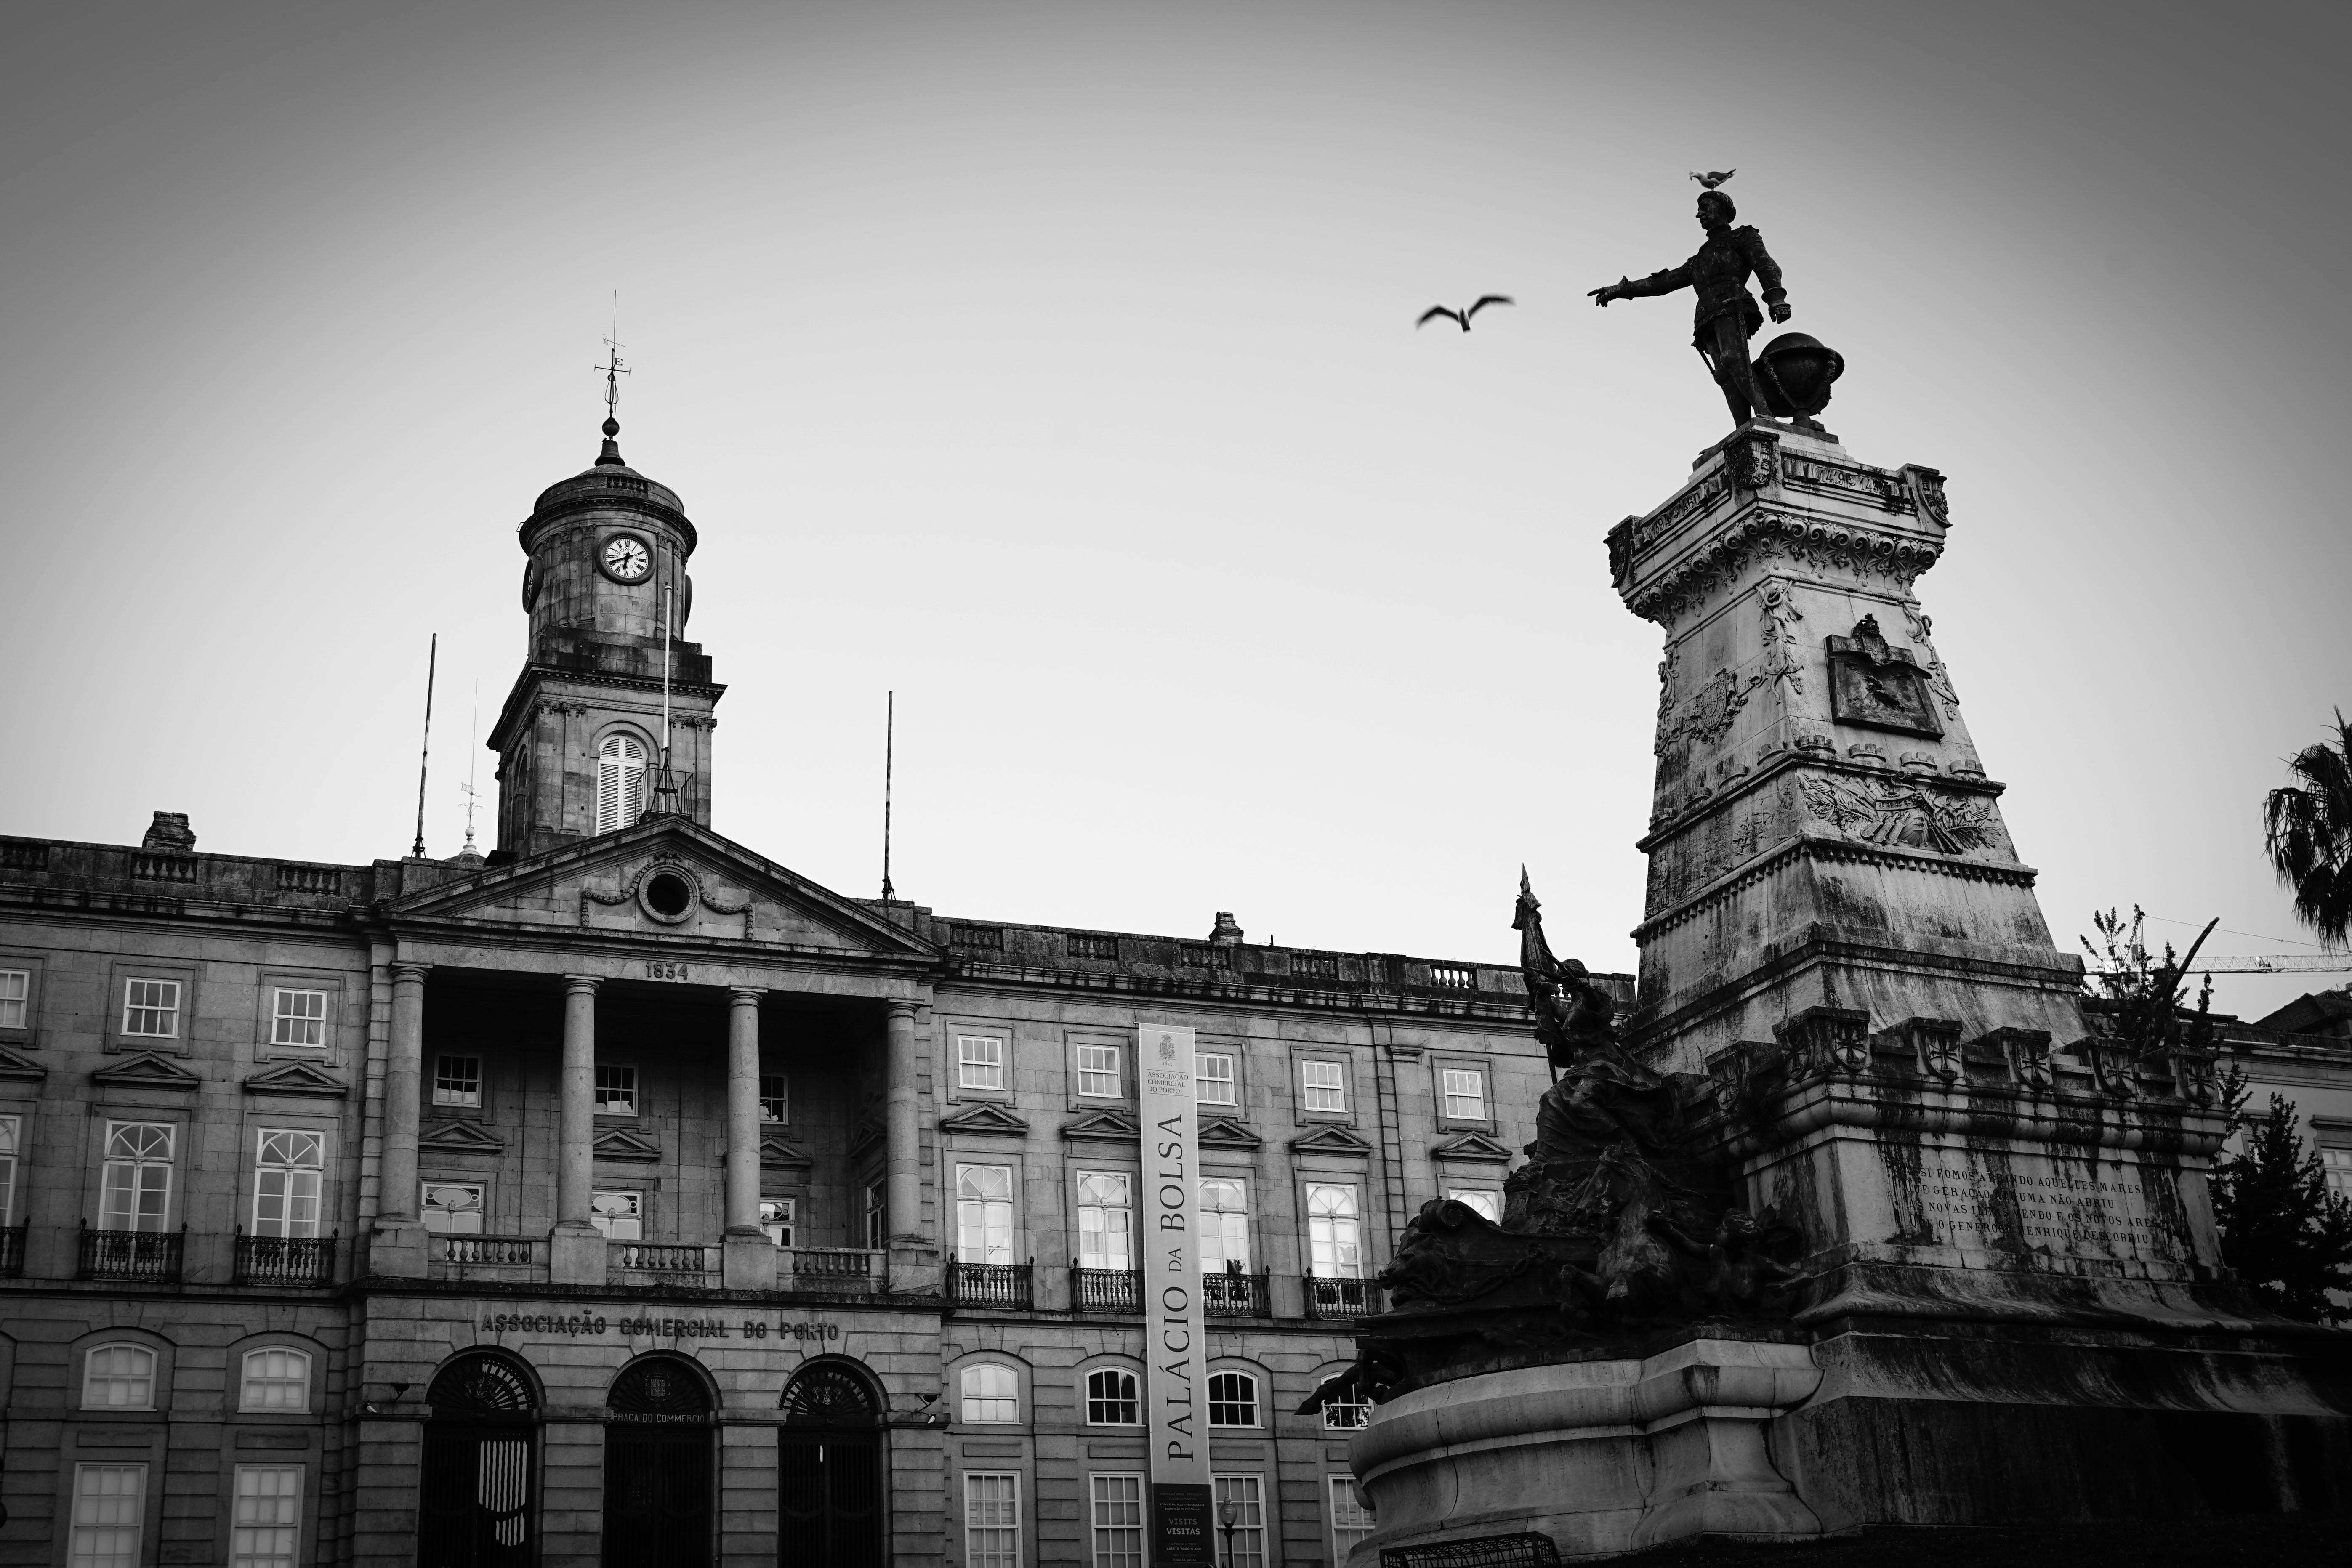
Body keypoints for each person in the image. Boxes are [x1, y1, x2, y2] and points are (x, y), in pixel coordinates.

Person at [1591, 190, 1791, 427]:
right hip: (1707, 314)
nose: (1699, 214)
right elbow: (1663, 283)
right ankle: (1744, 428)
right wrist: (1619, 290)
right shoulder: (1699, 258)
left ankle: (1765, 416)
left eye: (1705, 208)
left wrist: (1776, 298)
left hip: (1731, 303)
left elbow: (1765, 265)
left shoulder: (1741, 236)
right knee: (1723, 373)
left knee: (1733, 357)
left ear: (1723, 209)